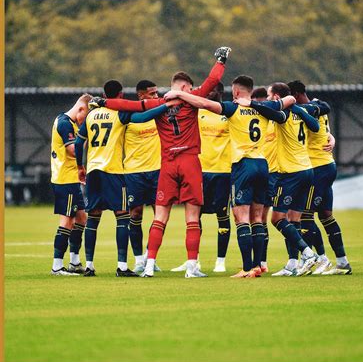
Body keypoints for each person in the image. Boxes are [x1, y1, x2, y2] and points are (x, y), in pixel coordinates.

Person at [96, 47, 231, 278]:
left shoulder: (158, 103)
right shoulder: (192, 99)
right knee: (192, 217)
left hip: (167, 163)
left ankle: (148, 265)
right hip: (189, 161)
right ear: (186, 87)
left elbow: (131, 106)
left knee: (160, 217)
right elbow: (212, 81)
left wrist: (104, 103)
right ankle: (191, 268)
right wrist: (221, 60)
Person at [163, 75, 295, 278]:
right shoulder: (264, 108)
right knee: (258, 218)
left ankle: (247, 268)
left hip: (243, 164)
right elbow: (289, 100)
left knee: (240, 217)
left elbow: (204, 103)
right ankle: (258, 266)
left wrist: (180, 93)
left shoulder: (233, 108)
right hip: (262, 163)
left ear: (235, 92)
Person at [76, 80, 175, 277]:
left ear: (104, 95)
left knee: (93, 218)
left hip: (94, 170)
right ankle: (122, 266)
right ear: (121, 96)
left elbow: (79, 142)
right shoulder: (120, 112)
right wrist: (166, 106)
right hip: (113, 170)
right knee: (123, 216)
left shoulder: (91, 115)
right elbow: (143, 117)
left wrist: (81, 166)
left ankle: (89, 265)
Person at [248, 83, 319, 277]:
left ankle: (308, 253)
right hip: (307, 170)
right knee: (294, 219)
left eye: (270, 96)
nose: (269, 100)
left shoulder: (284, 114)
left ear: (277, 96)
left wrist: (251, 104)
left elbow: (273, 113)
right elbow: (316, 126)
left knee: (277, 218)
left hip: (291, 173)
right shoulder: (300, 111)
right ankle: (293, 263)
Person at [287, 80, 352, 275]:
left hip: (318, 167)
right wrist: (332, 138)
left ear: (296, 95)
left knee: (305, 214)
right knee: (325, 216)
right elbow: (324, 113)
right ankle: (342, 262)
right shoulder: (316, 106)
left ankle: (317, 261)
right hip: (325, 165)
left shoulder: (307, 108)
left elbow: (323, 108)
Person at [171, 82, 232, 273]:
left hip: (222, 171)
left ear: (220, 93)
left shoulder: (228, 115)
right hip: (199, 171)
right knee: (194, 217)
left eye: (213, 90)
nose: (209, 93)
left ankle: (220, 261)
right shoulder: (198, 113)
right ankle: (193, 260)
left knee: (223, 216)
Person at [50, 94, 92, 275]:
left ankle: (74, 262)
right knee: (67, 221)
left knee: (82, 218)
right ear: (81, 109)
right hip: (64, 179)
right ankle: (57, 266)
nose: (85, 122)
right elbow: (73, 150)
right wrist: (89, 137)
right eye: (86, 116)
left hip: (72, 179)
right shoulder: (64, 123)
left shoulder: (72, 124)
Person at [125, 80, 162, 274]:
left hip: (157, 170)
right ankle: (138, 259)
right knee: (135, 214)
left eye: (157, 93)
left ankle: (150, 256)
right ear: (141, 96)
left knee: (160, 216)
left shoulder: (159, 114)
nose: (156, 96)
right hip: (134, 171)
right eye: (152, 94)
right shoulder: (129, 115)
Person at [252, 87, 276, 273]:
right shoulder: (265, 119)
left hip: (267, 174)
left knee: (259, 219)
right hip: (258, 172)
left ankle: (261, 262)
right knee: (257, 219)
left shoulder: (274, 120)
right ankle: (259, 262)